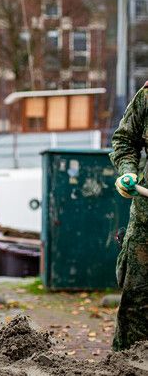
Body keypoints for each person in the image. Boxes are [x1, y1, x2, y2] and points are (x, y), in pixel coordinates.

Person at [110, 82, 148, 351]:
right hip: (146, 220)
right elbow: (124, 141)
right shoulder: (147, 97)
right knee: (135, 303)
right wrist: (128, 171)